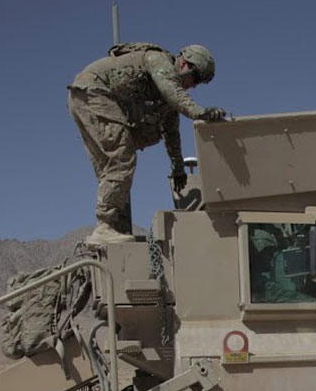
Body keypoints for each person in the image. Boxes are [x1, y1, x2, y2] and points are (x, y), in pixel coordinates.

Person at [68, 43, 227, 244]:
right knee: (121, 158)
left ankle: (112, 226)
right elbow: (173, 93)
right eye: (195, 78)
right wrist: (200, 113)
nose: (194, 85)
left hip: (85, 95)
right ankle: (105, 225)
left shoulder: (166, 100)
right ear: (184, 64)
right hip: (94, 92)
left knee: (109, 168)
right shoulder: (159, 61)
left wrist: (178, 168)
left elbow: (172, 134)